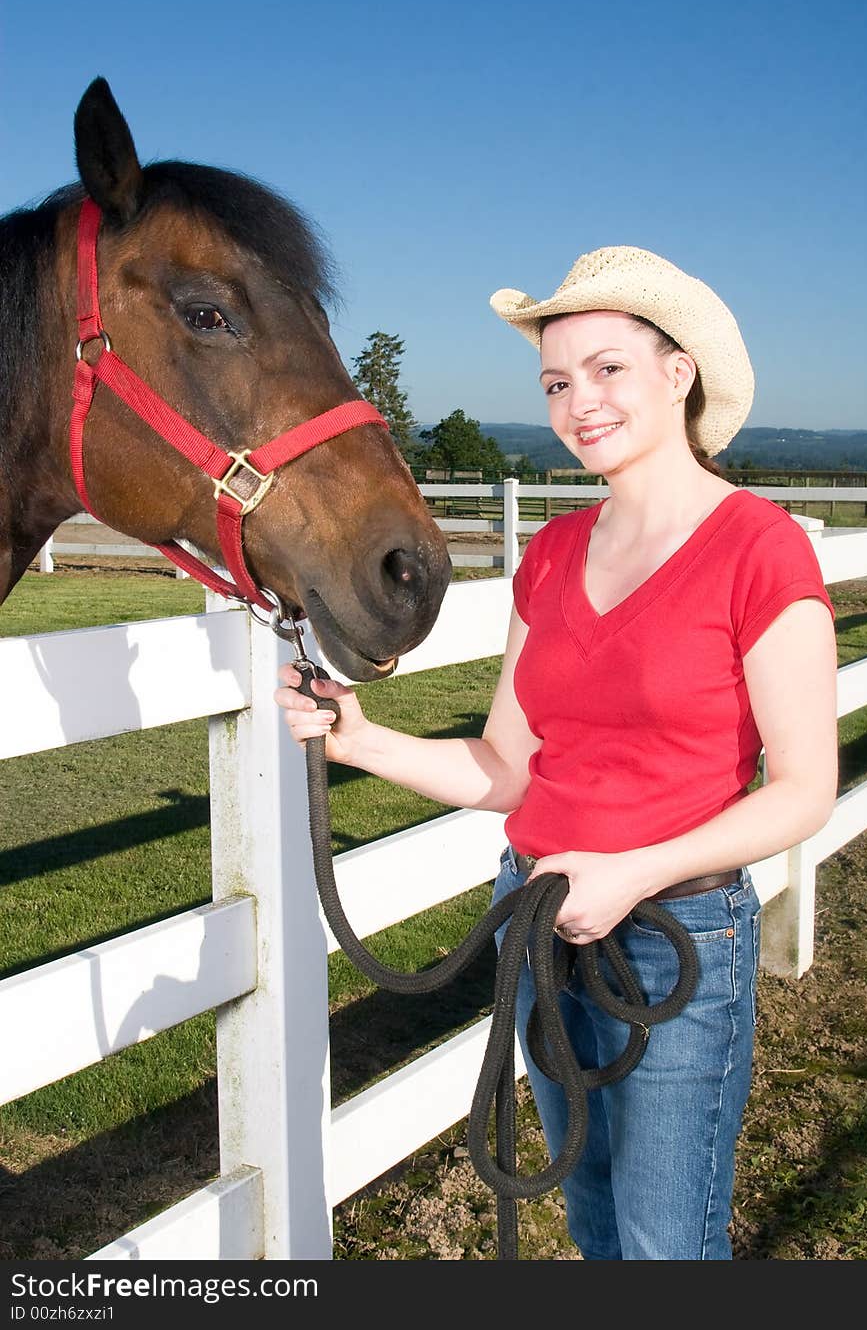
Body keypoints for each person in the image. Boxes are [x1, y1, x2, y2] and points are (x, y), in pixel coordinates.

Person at [274, 245, 838, 1260]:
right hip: (540, 925)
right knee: (588, 1220)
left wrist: (633, 872)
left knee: (664, 1243)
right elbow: (506, 765)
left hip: (676, 935)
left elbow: (803, 788)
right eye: (556, 382)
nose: (579, 402)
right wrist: (358, 736)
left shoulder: (759, 547)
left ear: (679, 372)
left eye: (608, 369)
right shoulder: (552, 554)